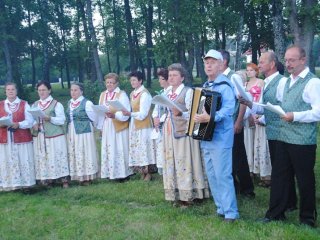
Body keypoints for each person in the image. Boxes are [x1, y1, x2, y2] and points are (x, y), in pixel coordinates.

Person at [260, 45, 320, 227]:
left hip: (302, 141)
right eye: (286, 60)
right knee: (279, 176)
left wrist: (296, 116)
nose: (288, 64)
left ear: (303, 60)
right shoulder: (284, 82)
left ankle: (307, 218)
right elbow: (281, 104)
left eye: (292, 60)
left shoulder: (313, 82)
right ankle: (275, 213)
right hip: (283, 137)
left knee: (304, 179)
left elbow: (318, 112)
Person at [240, 51, 297, 210]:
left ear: (272, 64)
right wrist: (249, 103)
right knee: (281, 168)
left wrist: (264, 119)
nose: (259, 65)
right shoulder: (268, 82)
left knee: (282, 170)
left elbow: (284, 107)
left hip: (281, 132)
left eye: (262, 62)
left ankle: (287, 203)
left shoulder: (282, 82)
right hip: (272, 131)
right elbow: (263, 107)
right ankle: (290, 202)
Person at [195, 49, 239, 221]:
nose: (209, 65)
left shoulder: (226, 86)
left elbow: (229, 110)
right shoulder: (206, 86)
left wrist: (211, 117)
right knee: (212, 175)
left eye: (213, 62)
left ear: (221, 65)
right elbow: (198, 110)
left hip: (221, 137)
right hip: (207, 137)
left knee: (223, 175)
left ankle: (231, 212)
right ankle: (221, 207)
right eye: (206, 62)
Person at [162, 63, 209, 208]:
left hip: (184, 131)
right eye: (170, 75)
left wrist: (181, 112)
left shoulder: (188, 92)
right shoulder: (167, 92)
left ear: (182, 78)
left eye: (175, 75)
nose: (171, 78)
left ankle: (190, 194)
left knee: (185, 161)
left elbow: (195, 112)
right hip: (169, 130)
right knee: (172, 161)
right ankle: (176, 192)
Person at [219, 50, 255, 198]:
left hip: (233, 123)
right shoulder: (218, 78)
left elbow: (242, 100)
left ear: (224, 61)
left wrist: (239, 121)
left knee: (238, 156)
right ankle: (233, 185)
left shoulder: (232, 77)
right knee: (227, 156)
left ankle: (247, 189)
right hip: (222, 125)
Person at [32, 81, 69, 188]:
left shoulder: (56, 104)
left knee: (57, 156)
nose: (41, 92)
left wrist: (50, 118)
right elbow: (31, 119)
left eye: (44, 90)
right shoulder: (35, 104)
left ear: (49, 90)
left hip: (55, 135)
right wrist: (34, 124)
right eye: (39, 90)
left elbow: (62, 120)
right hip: (40, 135)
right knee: (45, 157)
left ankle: (64, 180)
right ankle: (48, 180)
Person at [0, 82, 35, 191]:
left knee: (23, 159)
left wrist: (18, 124)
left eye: (13, 89)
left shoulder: (24, 104)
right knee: (7, 160)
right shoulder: (1, 105)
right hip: (5, 139)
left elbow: (30, 121)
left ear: (16, 91)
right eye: (8, 90)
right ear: (5, 91)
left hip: (22, 138)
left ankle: (26, 185)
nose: (10, 91)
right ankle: (10, 184)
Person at [98, 73, 132, 181]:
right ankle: (110, 172)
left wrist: (115, 115)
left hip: (118, 125)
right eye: (107, 82)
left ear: (116, 83)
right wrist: (100, 127)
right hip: (107, 124)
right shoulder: (103, 94)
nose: (109, 85)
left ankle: (123, 173)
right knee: (109, 148)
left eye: (111, 82)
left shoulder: (121, 94)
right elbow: (100, 110)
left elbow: (126, 111)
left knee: (119, 147)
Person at [122, 71, 155, 181]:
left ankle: (149, 172)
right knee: (137, 148)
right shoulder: (132, 93)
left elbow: (143, 113)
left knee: (145, 148)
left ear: (140, 80)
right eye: (131, 80)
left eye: (134, 80)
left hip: (144, 125)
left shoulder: (145, 94)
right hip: (135, 124)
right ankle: (142, 171)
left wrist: (130, 114)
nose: (132, 82)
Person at [66, 82, 99, 185]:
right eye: (71, 90)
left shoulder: (87, 103)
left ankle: (87, 177)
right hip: (72, 130)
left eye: (76, 90)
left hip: (84, 132)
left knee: (85, 152)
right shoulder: (69, 103)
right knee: (76, 152)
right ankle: (79, 176)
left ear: (81, 91)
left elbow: (94, 118)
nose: (73, 92)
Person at [245, 63, 271, 187]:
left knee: (260, 142)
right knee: (249, 142)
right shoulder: (245, 84)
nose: (249, 72)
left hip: (259, 112)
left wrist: (257, 114)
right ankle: (250, 169)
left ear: (256, 71)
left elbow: (260, 99)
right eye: (247, 70)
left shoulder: (261, 82)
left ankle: (265, 173)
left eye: (251, 70)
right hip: (248, 113)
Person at [151, 68, 170, 175]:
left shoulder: (170, 92)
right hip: (160, 124)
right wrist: (155, 118)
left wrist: (161, 119)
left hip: (167, 123)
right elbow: (156, 108)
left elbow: (169, 110)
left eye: (161, 79)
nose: (159, 81)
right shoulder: (162, 92)